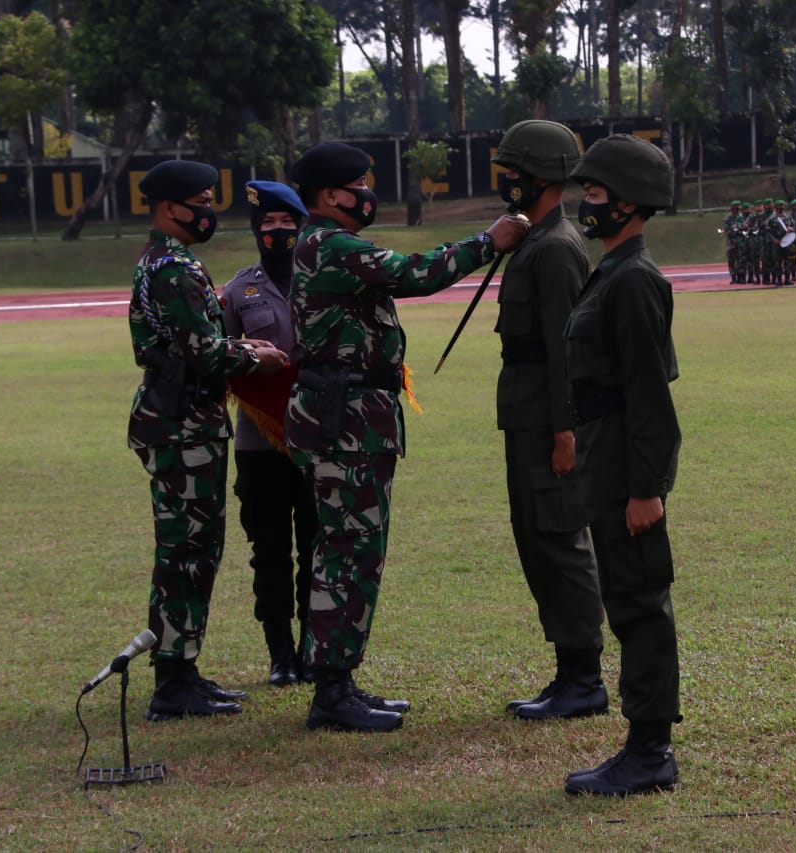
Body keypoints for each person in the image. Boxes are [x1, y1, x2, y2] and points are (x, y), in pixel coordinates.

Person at [286, 142, 530, 733]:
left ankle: (339, 681)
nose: (367, 194)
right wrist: (487, 241)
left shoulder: (324, 244)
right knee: (347, 554)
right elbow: (414, 275)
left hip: (350, 414)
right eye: (358, 185)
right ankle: (331, 692)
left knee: (348, 552)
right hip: (344, 421)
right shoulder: (331, 245)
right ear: (329, 196)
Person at [128, 160, 289, 721]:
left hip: (178, 419)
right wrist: (257, 354)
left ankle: (182, 668)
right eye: (199, 201)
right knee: (187, 551)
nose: (208, 211)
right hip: (182, 423)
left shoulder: (163, 260)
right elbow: (205, 350)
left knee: (190, 548)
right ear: (170, 208)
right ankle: (174, 680)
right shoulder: (175, 269)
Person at [562, 133, 682, 796]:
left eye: (598, 193)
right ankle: (642, 744)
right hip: (605, 464)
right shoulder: (608, 271)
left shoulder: (634, 280)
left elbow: (648, 396)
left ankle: (650, 750)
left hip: (626, 473)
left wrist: (647, 489)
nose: (587, 202)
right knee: (625, 598)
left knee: (640, 602)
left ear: (631, 203)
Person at [489, 120, 607, 721]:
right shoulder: (533, 240)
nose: (505, 181)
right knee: (538, 538)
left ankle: (584, 679)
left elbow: (567, 348)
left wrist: (566, 432)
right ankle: (567, 672)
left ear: (537, 176)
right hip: (527, 415)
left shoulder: (556, 248)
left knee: (561, 540)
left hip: (548, 422)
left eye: (513, 171)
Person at [222, 181, 318, 687]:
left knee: (319, 544)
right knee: (271, 547)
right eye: (267, 225)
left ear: (301, 227)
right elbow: (219, 357)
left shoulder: (324, 281)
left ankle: (312, 647)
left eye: (285, 224)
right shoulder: (239, 291)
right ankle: (280, 653)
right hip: (260, 444)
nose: (276, 232)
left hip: (319, 437)